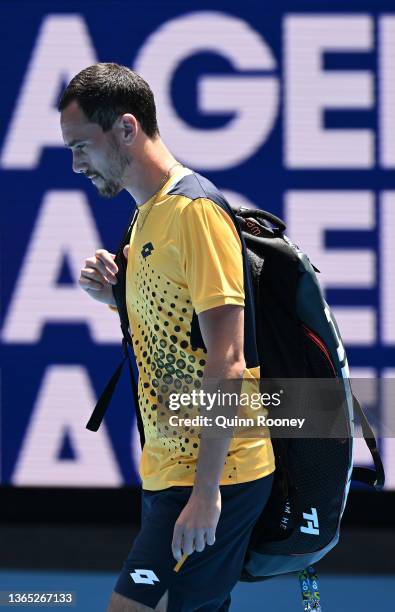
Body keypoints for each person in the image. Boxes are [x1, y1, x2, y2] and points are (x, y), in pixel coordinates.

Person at [59, 63, 275, 612]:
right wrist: (117, 299)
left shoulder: (195, 213)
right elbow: (174, 336)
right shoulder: (145, 218)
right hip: (167, 470)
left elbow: (226, 361)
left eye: (82, 146)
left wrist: (206, 494)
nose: (76, 163)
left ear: (127, 129)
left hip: (214, 471)